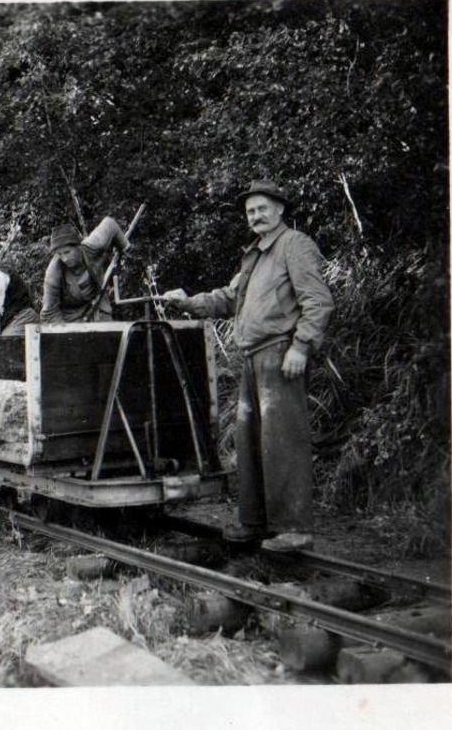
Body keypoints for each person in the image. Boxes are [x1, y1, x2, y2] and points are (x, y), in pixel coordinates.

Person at [163, 180, 335, 552]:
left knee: (283, 440)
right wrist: (188, 303)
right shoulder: (255, 255)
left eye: (262, 208)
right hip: (253, 357)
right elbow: (228, 299)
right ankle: (256, 523)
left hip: (281, 354)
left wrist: (301, 347)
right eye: (250, 211)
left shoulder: (294, 245)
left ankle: (293, 528)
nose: (255, 216)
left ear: (280, 210)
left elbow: (318, 301)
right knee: (252, 440)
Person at [39, 216, 129, 323]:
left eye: (67, 252)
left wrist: (125, 247)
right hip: (70, 316)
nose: (65, 258)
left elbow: (110, 224)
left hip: (98, 303)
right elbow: (49, 313)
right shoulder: (53, 274)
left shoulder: (92, 245)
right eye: (60, 254)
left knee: (108, 333)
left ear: (78, 246)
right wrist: (66, 334)